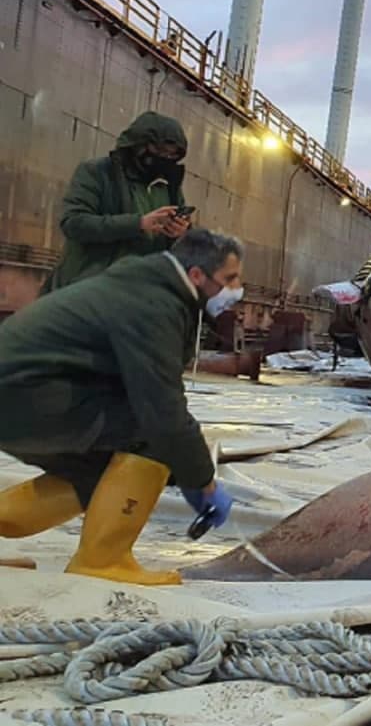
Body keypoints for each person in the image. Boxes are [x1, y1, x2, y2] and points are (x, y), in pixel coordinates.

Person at [0, 228, 242, 585]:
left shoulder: (146, 287)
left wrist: (187, 472)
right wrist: (202, 481)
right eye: (230, 279)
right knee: (153, 439)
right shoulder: (154, 304)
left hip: (20, 392)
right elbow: (164, 413)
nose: (238, 290)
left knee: (101, 471)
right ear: (196, 276)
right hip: (26, 393)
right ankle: (102, 560)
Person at [42, 111, 193, 293]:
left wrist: (180, 233)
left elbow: (177, 250)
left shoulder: (168, 186)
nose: (165, 159)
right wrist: (138, 224)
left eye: (171, 156)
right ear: (138, 146)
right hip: (86, 292)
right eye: (160, 152)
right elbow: (73, 223)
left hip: (137, 295)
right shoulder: (97, 173)